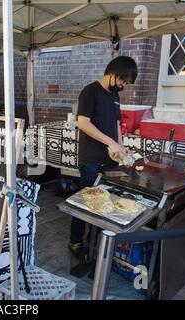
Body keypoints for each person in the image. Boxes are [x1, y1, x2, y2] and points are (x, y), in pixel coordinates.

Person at [68, 56, 138, 262]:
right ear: (113, 73)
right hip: (91, 158)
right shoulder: (90, 91)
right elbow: (83, 123)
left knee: (107, 202)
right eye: (123, 80)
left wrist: (120, 146)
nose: (124, 85)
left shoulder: (115, 95)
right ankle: (76, 242)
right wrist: (110, 143)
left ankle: (98, 243)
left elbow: (117, 124)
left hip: (110, 161)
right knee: (85, 202)